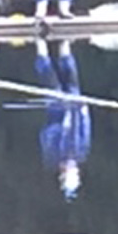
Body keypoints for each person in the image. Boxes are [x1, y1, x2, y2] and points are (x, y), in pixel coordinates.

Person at [35, 39, 91, 201]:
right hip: (74, 106)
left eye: (67, 173)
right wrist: (84, 110)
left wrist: (62, 124)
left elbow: (46, 133)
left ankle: (41, 44)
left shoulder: (52, 156)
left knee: (48, 74)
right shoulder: (81, 152)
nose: (70, 169)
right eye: (73, 172)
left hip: (56, 107)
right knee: (70, 74)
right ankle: (65, 41)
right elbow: (85, 129)